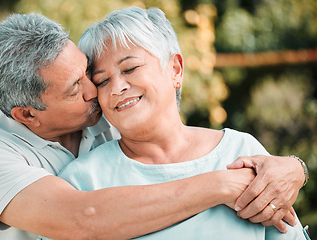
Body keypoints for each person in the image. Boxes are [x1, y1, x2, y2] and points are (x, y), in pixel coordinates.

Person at [0, 12, 307, 240]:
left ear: (176, 69)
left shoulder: (98, 120)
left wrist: (295, 167)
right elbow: (85, 218)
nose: (100, 91)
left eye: (86, 73)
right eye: (79, 86)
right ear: (27, 115)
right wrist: (223, 183)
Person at [59, 6, 310, 239]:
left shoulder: (241, 151)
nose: (117, 87)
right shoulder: (82, 180)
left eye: (130, 68)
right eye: (102, 81)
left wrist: (299, 168)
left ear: (176, 70)